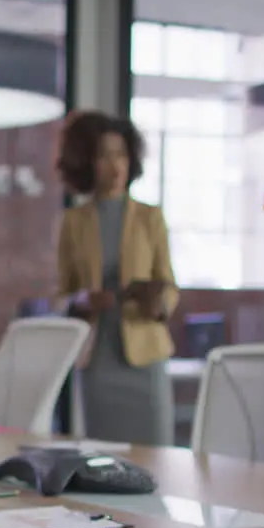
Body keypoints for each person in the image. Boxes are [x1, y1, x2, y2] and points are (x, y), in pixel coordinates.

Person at [54, 111, 179, 446]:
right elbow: (61, 294)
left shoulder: (149, 217)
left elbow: (169, 284)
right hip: (98, 359)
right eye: (104, 156)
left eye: (121, 154)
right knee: (103, 457)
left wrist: (157, 300)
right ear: (86, 162)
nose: (115, 165)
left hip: (144, 354)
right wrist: (80, 300)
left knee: (157, 457)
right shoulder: (74, 222)